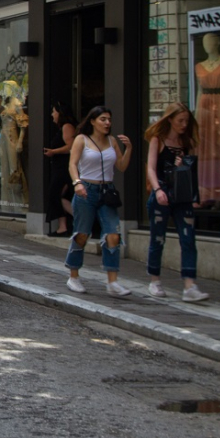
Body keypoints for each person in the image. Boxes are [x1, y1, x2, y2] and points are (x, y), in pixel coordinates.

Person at [64, 106, 133, 297]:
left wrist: (129, 149)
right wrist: (77, 183)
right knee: (82, 234)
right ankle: (73, 276)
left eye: (109, 119)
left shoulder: (112, 141)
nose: (107, 123)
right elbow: (72, 164)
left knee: (113, 235)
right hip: (86, 190)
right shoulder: (82, 139)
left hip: (107, 192)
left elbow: (121, 166)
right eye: (103, 119)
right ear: (92, 121)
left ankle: (112, 282)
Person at [144, 103, 209, 302]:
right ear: (169, 119)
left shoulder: (186, 142)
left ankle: (190, 285)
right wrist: (157, 190)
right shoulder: (158, 139)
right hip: (162, 193)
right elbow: (151, 168)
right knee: (158, 238)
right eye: (180, 120)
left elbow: (189, 171)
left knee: (188, 238)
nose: (183, 124)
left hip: (182, 196)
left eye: (186, 121)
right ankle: (154, 280)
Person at [194, 33, 220, 202]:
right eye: (204, 42)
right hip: (205, 108)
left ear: (218, 42)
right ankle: (207, 194)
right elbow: (199, 91)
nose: (207, 44)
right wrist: (196, 115)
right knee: (206, 149)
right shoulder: (199, 66)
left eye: (210, 40)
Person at [43, 101, 77, 236]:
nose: (52, 115)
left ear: (60, 113)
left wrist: (54, 152)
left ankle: (82, 220)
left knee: (56, 195)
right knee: (56, 196)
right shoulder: (62, 127)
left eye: (54, 112)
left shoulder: (67, 127)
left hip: (64, 168)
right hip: (59, 167)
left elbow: (71, 146)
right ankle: (63, 227)